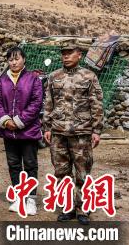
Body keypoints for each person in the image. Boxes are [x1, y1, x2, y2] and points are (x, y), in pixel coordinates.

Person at [43, 41, 103, 225]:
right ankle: (67, 207)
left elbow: (97, 104)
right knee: (61, 172)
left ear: (79, 55)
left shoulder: (89, 76)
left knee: (82, 172)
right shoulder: (54, 76)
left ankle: (82, 208)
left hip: (81, 133)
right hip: (58, 133)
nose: (66, 56)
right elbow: (48, 103)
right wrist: (47, 127)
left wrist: (97, 130)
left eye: (70, 53)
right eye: (64, 53)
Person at [0, 46, 43, 216]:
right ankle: (18, 197)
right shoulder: (3, 80)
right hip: (9, 132)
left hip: (28, 131)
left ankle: (31, 200)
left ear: (24, 59)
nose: (14, 62)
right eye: (10, 59)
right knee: (14, 165)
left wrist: (18, 121)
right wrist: (6, 120)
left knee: (30, 165)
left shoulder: (33, 79)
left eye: (17, 59)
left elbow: (36, 103)